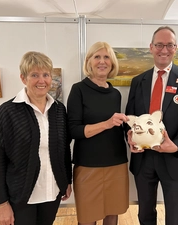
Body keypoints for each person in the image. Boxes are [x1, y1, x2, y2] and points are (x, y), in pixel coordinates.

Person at [125, 26, 178, 225]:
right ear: (151, 47)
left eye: (169, 45)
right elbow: (130, 118)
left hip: (174, 158)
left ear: (176, 48)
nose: (164, 50)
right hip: (143, 160)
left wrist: (176, 145)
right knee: (145, 215)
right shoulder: (138, 81)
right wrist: (129, 137)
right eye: (159, 45)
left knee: (176, 217)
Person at [0, 51, 72, 225]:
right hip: (21, 195)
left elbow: (63, 150)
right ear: (23, 78)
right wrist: (1, 203)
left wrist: (66, 181)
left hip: (52, 191)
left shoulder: (59, 110)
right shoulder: (8, 111)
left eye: (46, 75)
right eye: (34, 75)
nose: (41, 81)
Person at [67, 42, 129, 225]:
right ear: (89, 62)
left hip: (116, 163)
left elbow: (117, 127)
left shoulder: (115, 94)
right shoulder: (78, 90)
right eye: (97, 57)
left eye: (106, 57)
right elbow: (73, 130)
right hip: (88, 165)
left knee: (113, 213)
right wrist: (106, 124)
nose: (102, 61)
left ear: (112, 63)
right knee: (88, 217)